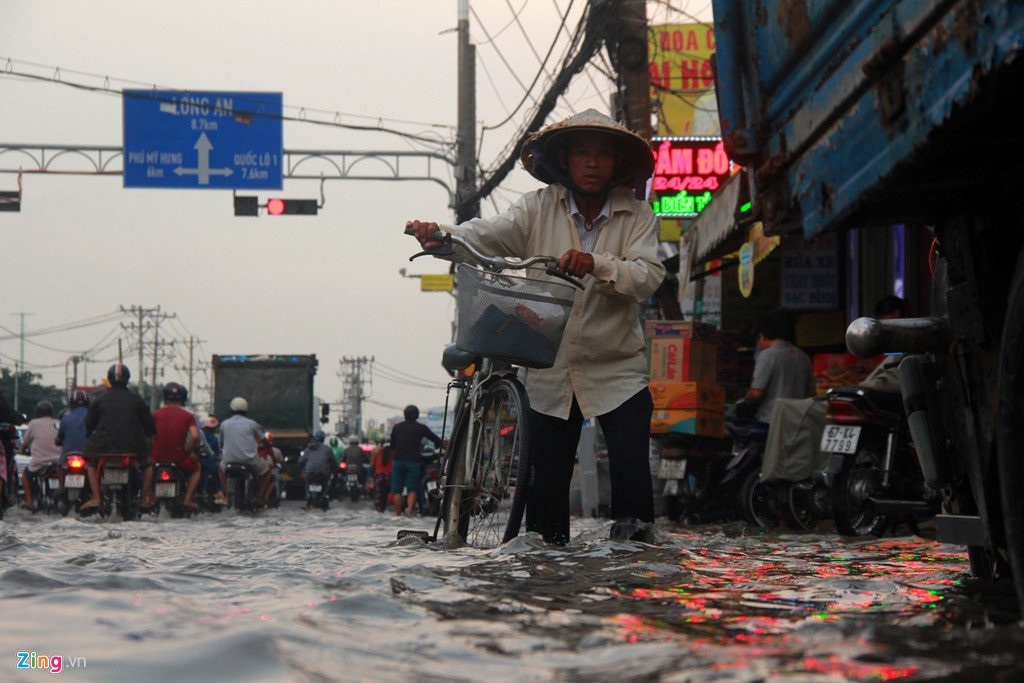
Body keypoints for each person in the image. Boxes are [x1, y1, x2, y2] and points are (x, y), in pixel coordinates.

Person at [407, 109, 665, 544]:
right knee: (545, 490)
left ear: (616, 164)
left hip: (617, 366)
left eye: (603, 154)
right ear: (564, 160)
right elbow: (486, 235)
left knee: (632, 475)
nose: (592, 162)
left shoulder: (638, 216)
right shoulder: (536, 208)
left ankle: (634, 567)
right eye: (582, 152)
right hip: (550, 367)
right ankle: (548, 578)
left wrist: (597, 264)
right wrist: (443, 236)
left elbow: (648, 275)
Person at [83, 364, 156, 511]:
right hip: (133, 447)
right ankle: (143, 499)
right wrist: (148, 436)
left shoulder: (99, 400)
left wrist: (90, 435)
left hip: (103, 447)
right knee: (148, 466)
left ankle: (97, 498)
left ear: (109, 379)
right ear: (127, 379)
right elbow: (149, 426)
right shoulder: (137, 400)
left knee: (90, 465)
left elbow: (89, 424)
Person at [744, 312, 815, 423]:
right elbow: (811, 393)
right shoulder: (803, 356)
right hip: (798, 422)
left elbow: (756, 393)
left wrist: (747, 399)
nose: (758, 346)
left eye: (757, 341)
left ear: (761, 336)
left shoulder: (767, 355)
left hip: (771, 421)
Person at [150, 382, 202, 511]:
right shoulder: (188, 416)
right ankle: (187, 500)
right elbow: (195, 435)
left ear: (165, 398)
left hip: (157, 458)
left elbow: (148, 435)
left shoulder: (155, 414)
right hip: (179, 459)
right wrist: (188, 451)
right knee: (197, 468)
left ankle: (150, 497)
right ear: (181, 399)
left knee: (148, 468)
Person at [218, 396, 274, 506]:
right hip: (249, 460)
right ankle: (260, 498)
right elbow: (264, 440)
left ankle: (225, 495)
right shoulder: (252, 424)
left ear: (231, 409)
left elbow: (221, 444)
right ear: (246, 410)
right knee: (267, 472)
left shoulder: (224, 424)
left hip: (229, 460)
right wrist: (267, 444)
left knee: (220, 469)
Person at [389, 405, 441, 517]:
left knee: (397, 491)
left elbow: (392, 446)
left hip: (398, 462)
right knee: (412, 489)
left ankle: (398, 515)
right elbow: (436, 440)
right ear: (417, 415)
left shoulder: (397, 427)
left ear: (404, 414)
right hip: (413, 462)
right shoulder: (421, 428)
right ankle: (409, 511)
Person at [19, 400, 61, 509]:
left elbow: (25, 442)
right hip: (58, 461)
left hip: (39, 461)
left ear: (37, 412)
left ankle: (29, 502)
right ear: (51, 412)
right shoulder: (57, 423)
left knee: (25, 476)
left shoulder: (33, 423)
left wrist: (22, 450)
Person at [198, 416, 228, 506]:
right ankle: (222, 495)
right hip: (211, 463)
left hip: (200, 462)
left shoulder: (200, 434)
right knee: (219, 478)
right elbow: (219, 452)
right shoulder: (216, 439)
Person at [56, 391, 90, 462]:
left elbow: (59, 438)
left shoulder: (65, 419)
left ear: (71, 404)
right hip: (89, 457)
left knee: (59, 468)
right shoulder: (93, 417)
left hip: (67, 458)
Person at [369, 440, 394, 513]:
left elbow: (372, 466)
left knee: (378, 493)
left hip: (379, 476)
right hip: (390, 476)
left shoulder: (378, 453)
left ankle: (379, 509)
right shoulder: (393, 454)